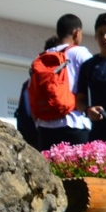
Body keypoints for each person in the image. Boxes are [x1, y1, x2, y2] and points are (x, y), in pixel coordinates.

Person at [34, 14, 92, 150]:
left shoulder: (43, 57)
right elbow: (95, 78)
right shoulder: (80, 53)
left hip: (45, 127)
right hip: (74, 123)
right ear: (77, 33)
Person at [77, 13, 106, 143]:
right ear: (96, 36)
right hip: (98, 133)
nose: (105, 38)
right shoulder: (88, 66)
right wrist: (87, 110)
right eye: (101, 34)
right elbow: (80, 99)